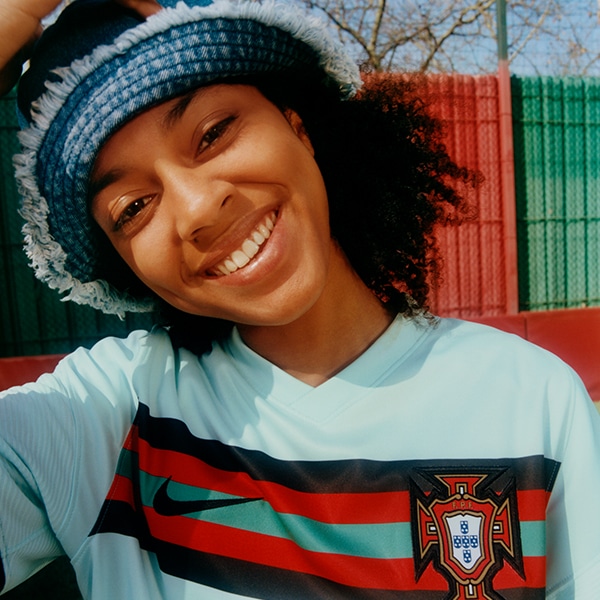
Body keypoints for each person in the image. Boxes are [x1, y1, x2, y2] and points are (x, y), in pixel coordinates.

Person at [1, 0, 599, 598]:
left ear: (299, 127)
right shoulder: (103, 424)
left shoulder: (531, 401)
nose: (198, 208)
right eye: (133, 207)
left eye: (213, 133)